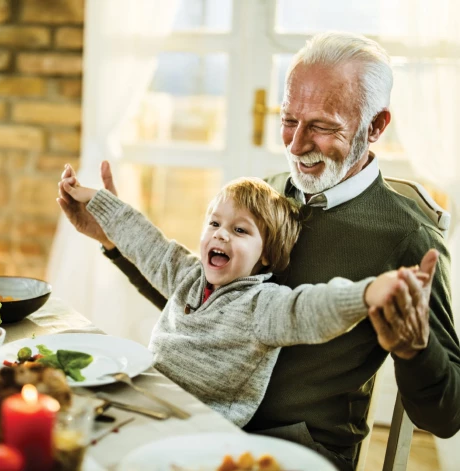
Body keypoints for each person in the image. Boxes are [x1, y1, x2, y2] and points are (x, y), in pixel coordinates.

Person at [57, 31, 460, 471]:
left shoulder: (408, 237)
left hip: (293, 450)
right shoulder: (269, 192)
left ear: (376, 126)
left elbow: (446, 414)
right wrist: (113, 240)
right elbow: (211, 309)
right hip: (195, 418)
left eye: (322, 126)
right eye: (289, 119)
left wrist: (415, 350)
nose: (295, 144)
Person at [61, 173, 433, 430]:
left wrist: (367, 293)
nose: (221, 235)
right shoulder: (187, 274)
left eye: (240, 230)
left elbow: (311, 309)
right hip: (145, 405)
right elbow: (146, 241)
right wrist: (100, 203)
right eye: (214, 224)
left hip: (200, 434)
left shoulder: (262, 306)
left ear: (266, 255)